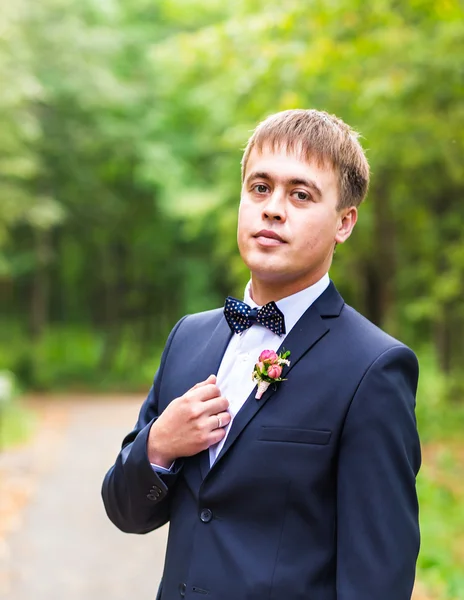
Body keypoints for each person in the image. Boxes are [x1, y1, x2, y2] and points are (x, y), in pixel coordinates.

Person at [102, 109, 421, 600]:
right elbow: (126, 512)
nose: (273, 208)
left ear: (344, 222)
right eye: (259, 188)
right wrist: (158, 446)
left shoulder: (373, 368)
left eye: (301, 194)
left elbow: (377, 577)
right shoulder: (188, 337)